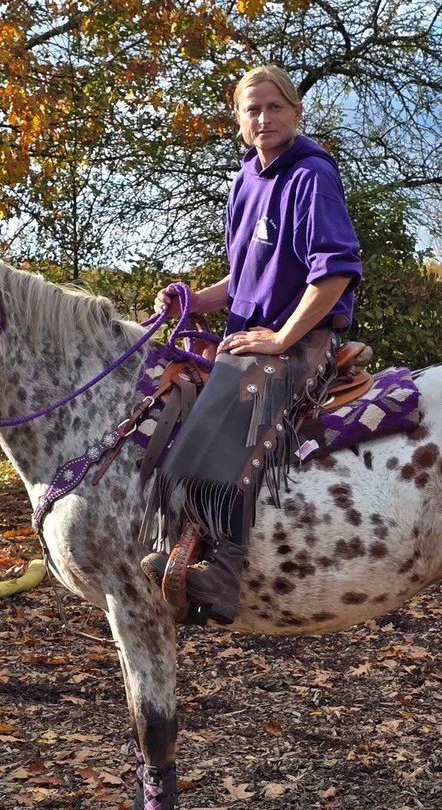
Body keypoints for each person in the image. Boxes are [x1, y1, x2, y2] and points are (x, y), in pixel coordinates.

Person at [140, 64, 363, 625]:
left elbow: (334, 272)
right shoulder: (244, 180)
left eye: (274, 107)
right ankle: (187, 542)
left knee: (227, 416)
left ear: (296, 112)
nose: (264, 118)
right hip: (251, 337)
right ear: (238, 120)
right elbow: (240, 283)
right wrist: (188, 300)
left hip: (302, 337)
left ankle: (225, 570)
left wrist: (285, 336)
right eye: (252, 109)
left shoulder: (311, 176)